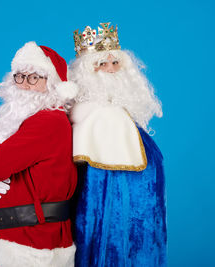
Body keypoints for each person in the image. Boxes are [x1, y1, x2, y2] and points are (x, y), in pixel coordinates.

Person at [0, 41, 79, 267]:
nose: (25, 84)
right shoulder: (34, 120)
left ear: (51, 83)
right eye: (20, 77)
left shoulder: (48, 121)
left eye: (34, 77)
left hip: (31, 245)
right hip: (18, 239)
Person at [69, 23, 167, 266]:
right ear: (87, 72)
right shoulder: (91, 117)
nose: (111, 70)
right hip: (109, 223)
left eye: (115, 63)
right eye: (102, 64)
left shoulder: (124, 115)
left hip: (141, 222)